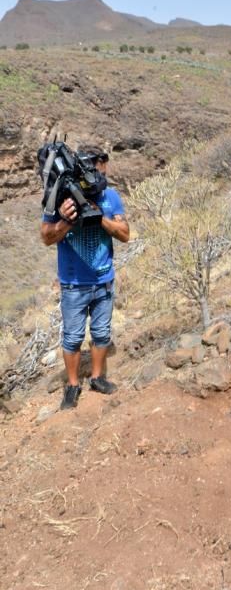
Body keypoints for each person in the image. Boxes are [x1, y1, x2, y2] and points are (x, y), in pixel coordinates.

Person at [40, 146, 130, 410]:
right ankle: (72, 385)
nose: (103, 169)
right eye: (100, 163)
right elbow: (46, 237)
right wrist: (67, 220)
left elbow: (124, 234)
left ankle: (97, 378)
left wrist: (97, 215)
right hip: (74, 285)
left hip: (103, 281)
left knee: (102, 333)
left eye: (103, 163)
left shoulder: (110, 196)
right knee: (72, 337)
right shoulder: (59, 197)